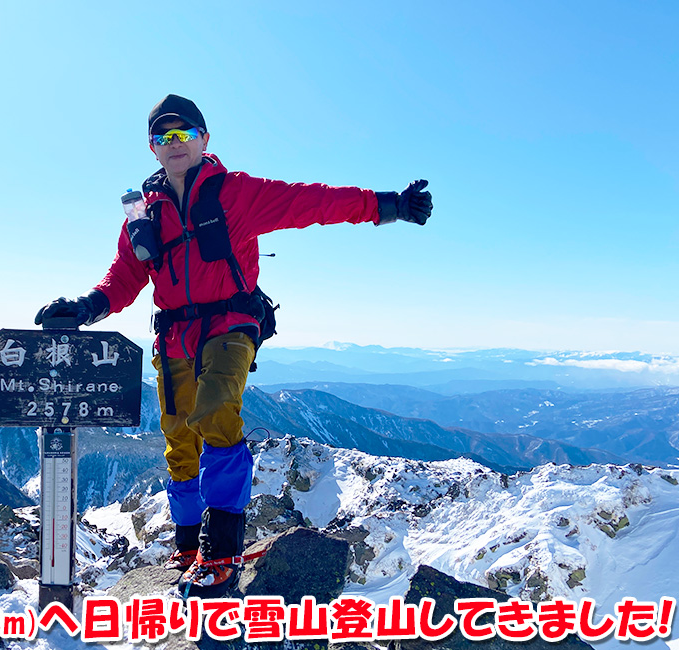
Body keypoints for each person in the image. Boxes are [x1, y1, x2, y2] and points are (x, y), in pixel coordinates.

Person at [35, 94, 432, 597]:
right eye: (162, 136)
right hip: (175, 333)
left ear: (204, 139)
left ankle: (221, 551)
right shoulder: (143, 212)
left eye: (183, 134)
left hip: (231, 323)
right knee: (179, 436)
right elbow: (127, 274)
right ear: (152, 149)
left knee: (217, 411)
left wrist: (389, 206)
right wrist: (89, 307)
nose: (173, 144)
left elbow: (313, 202)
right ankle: (186, 544)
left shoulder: (236, 193)